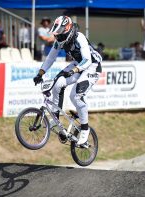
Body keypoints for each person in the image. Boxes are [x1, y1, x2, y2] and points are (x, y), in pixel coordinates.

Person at [33, 16, 102, 145]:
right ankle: (56, 118)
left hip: (92, 66)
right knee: (57, 83)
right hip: (78, 64)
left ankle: (85, 130)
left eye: (60, 34)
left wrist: (74, 70)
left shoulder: (79, 37)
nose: (58, 37)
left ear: (68, 30)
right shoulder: (59, 40)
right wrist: (40, 73)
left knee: (76, 96)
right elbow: (50, 58)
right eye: (56, 34)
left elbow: (87, 60)